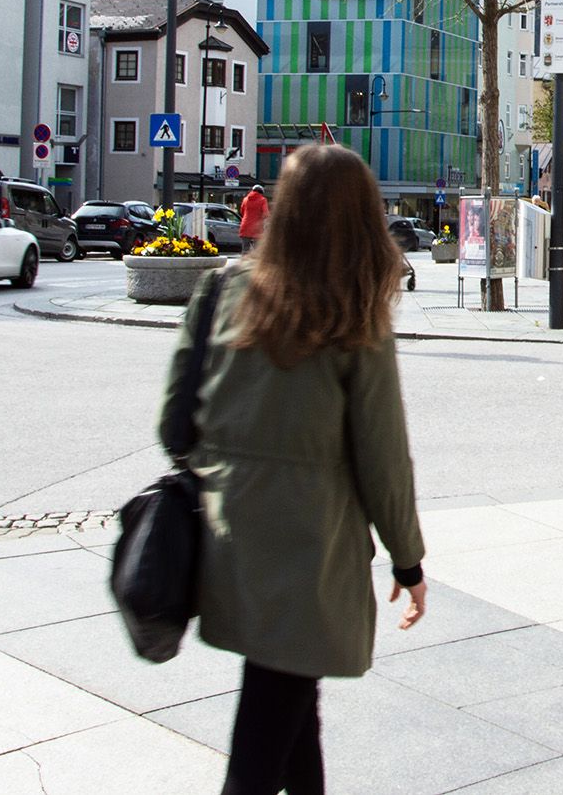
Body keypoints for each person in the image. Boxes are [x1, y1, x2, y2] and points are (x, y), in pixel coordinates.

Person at [161, 145, 427, 795]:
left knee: (289, 698)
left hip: (229, 538)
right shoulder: (353, 312)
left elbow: (174, 423)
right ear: (363, 218)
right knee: (261, 741)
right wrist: (408, 562)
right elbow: (383, 453)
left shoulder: (221, 289)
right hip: (309, 551)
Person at [238, 184, 269, 254]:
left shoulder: (245, 199)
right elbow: (265, 214)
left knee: (245, 249)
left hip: (245, 226)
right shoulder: (263, 200)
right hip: (257, 228)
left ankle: (244, 263)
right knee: (257, 250)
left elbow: (242, 211)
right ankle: (254, 264)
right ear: (261, 192)